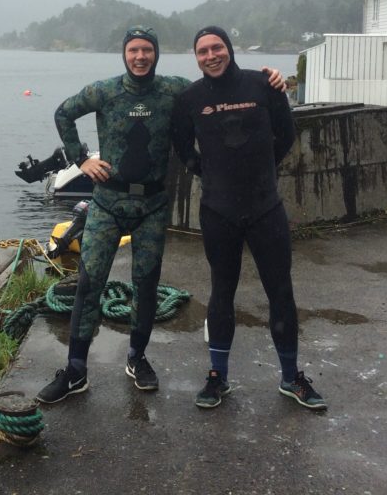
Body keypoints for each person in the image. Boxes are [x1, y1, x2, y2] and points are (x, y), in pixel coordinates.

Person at [37, 26, 285, 404]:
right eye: (134, 50)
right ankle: (75, 370)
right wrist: (82, 159)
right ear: (125, 54)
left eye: (147, 50)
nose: (140, 57)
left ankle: (137, 358)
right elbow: (63, 113)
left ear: (156, 54)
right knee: (89, 283)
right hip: (107, 203)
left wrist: (270, 80)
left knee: (146, 284)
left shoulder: (175, 91)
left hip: (153, 205)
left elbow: (219, 89)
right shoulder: (104, 90)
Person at [172, 25, 326, 411]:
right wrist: (206, 172)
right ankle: (217, 376)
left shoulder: (264, 85)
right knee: (221, 292)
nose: (211, 55)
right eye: (203, 51)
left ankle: (291, 378)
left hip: (264, 208)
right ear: (196, 57)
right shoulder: (190, 97)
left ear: (229, 49)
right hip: (218, 210)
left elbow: (286, 135)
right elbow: (180, 145)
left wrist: (262, 170)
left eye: (217, 47)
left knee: (281, 291)